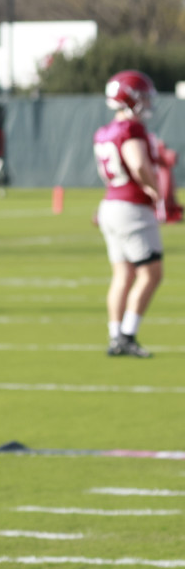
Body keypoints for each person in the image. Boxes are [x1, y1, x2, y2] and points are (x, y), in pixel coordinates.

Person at [92, 69, 164, 358]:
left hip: (110, 204)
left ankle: (115, 335)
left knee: (122, 274)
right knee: (151, 273)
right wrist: (155, 189)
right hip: (132, 207)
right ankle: (127, 334)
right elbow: (137, 164)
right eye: (142, 97)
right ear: (129, 98)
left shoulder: (104, 131)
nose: (146, 103)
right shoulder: (132, 129)